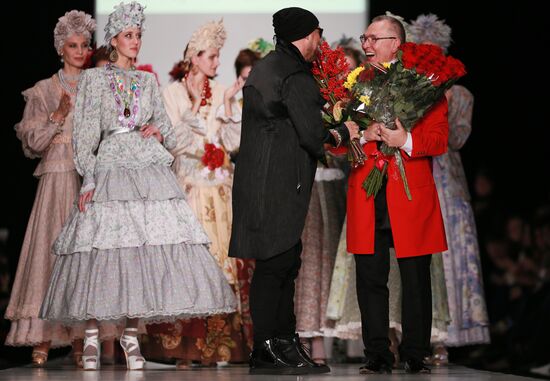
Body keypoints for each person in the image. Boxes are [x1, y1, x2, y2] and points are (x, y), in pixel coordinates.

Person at [38, 2, 236, 371]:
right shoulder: (95, 79)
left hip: (146, 169)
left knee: (139, 254)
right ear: (113, 39)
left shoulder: (147, 80)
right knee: (103, 251)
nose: (135, 41)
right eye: (129, 35)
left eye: (139, 35)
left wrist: (161, 131)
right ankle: (94, 335)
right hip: (112, 166)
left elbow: (168, 129)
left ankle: (131, 336)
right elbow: (84, 135)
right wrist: (89, 177)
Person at [228, 7, 359, 375]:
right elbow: (314, 136)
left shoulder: (268, 67)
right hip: (279, 185)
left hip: (259, 183)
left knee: (279, 265)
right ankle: (271, 347)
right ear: (306, 35)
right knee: (276, 267)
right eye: (319, 32)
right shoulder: (294, 75)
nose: (321, 40)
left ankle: (279, 345)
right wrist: (345, 130)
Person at [347, 15, 449, 374]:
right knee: (370, 277)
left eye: (375, 38)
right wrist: (363, 134)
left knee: (415, 278)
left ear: (397, 44)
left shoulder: (425, 85)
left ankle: (415, 352)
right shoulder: (357, 84)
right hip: (368, 192)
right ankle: (377, 352)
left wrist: (402, 140)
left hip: (409, 194)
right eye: (366, 38)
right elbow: (342, 143)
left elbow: (439, 140)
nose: (368, 45)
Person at [144, 19, 249, 368]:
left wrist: (231, 105)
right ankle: (182, 347)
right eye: (213, 57)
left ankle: (216, 345)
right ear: (195, 57)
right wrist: (196, 124)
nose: (218, 63)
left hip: (219, 191)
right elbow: (172, 142)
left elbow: (234, 142)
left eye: (219, 57)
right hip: (188, 189)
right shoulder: (172, 94)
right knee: (186, 264)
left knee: (222, 263)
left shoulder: (223, 93)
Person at [4, 10, 99, 367]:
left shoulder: (95, 85)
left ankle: (79, 338)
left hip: (86, 181)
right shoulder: (44, 90)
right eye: (72, 45)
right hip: (56, 181)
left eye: (84, 45)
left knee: (82, 258)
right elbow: (31, 143)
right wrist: (57, 115)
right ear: (61, 49)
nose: (79, 51)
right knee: (49, 253)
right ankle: (42, 338)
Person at [410, 13, 490, 362]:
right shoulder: (407, 88)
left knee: (450, 254)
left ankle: (444, 338)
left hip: (447, 179)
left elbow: (456, 138)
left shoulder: (459, 94)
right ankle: (413, 334)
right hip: (416, 171)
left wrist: (439, 102)